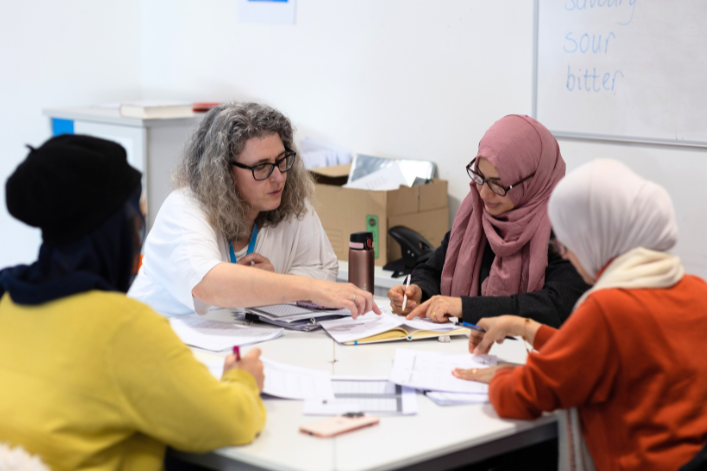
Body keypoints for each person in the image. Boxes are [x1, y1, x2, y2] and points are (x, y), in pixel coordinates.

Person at [0, 135, 267, 470]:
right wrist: (243, 379)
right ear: (112, 231)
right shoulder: (121, 326)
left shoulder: (7, 300)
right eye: (136, 218)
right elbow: (228, 422)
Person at [454, 159, 707, 470]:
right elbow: (598, 352)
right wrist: (526, 327)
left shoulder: (608, 310)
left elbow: (524, 397)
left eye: (568, 241)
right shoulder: (697, 291)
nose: (567, 253)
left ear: (599, 237)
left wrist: (503, 376)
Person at [129, 101, 377, 317]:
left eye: (282, 161)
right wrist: (282, 285)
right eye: (261, 166)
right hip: (158, 342)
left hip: (237, 343)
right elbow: (209, 283)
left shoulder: (288, 203)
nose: (279, 177)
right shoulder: (183, 209)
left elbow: (323, 270)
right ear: (222, 172)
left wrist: (273, 282)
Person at [390, 115, 589, 327]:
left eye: (498, 185)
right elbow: (431, 269)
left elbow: (556, 306)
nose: (484, 193)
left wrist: (465, 307)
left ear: (531, 181)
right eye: (479, 177)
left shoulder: (567, 229)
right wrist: (418, 291)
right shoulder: (474, 216)